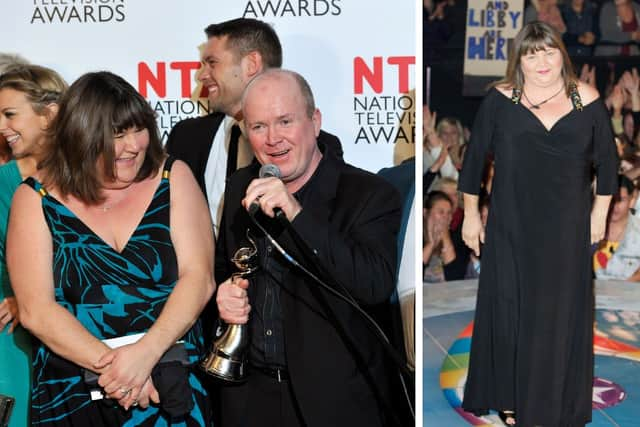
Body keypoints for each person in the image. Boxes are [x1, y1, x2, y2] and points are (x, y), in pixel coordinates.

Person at [6, 71, 215, 426]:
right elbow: (36, 309)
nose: (134, 145)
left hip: (169, 382)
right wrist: (121, 371)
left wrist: (145, 356)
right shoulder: (35, 199)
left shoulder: (172, 177)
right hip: (73, 391)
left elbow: (200, 278)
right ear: (82, 137)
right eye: (117, 135)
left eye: (138, 129)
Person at [214, 69, 401, 427]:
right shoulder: (240, 187)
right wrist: (222, 297)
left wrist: (296, 214)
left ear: (315, 122)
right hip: (249, 399)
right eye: (258, 127)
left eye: (285, 121)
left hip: (334, 404)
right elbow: (223, 270)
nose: (273, 139)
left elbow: (373, 285)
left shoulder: (368, 195)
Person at [459, 22, 618, 426]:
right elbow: (474, 160)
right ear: (520, 60)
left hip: (567, 229)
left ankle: (552, 400)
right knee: (511, 312)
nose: (541, 61)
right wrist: (472, 215)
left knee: (557, 315)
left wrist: (599, 214)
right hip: (512, 225)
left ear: (560, 54)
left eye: (547, 52)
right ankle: (510, 395)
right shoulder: (501, 98)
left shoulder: (586, 99)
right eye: (531, 54)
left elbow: (609, 165)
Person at [166, 18, 283, 238]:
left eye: (212, 62)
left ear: (251, 64)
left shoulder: (311, 146)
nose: (201, 75)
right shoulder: (185, 137)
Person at [0, 64, 66, 427]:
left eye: (10, 114)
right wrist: (18, 292)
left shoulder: (95, 176)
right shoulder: (2, 183)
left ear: (49, 114)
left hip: (88, 326)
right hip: (16, 337)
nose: (1, 127)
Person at [594, 175, 640, 280]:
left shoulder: (637, 232)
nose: (615, 206)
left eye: (621, 200)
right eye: (612, 199)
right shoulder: (589, 227)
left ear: (632, 200)